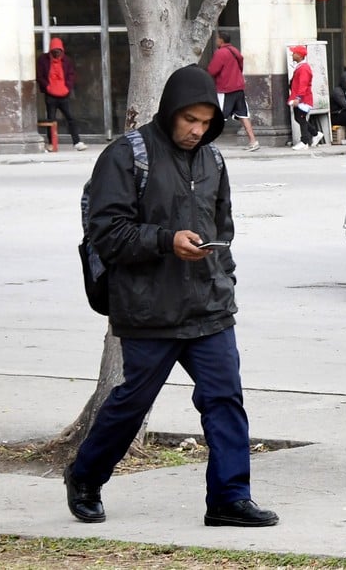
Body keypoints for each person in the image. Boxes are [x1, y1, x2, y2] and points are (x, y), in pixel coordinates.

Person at [64, 64, 278, 528]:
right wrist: (166, 241)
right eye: (189, 120)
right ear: (169, 111)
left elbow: (223, 228)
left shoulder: (213, 159)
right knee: (132, 403)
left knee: (225, 399)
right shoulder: (126, 156)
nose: (197, 131)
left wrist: (224, 278)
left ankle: (229, 498)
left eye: (206, 122)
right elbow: (107, 233)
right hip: (149, 308)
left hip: (209, 306)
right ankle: (84, 477)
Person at [207, 31, 260, 151]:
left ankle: (208, 142)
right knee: (243, 115)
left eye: (217, 39)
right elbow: (240, 66)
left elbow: (212, 70)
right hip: (238, 87)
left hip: (226, 89)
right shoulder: (235, 51)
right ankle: (253, 141)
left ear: (221, 40)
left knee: (218, 116)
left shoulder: (220, 53)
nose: (216, 41)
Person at [36, 37, 88, 151]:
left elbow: (71, 75)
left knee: (70, 118)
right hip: (50, 95)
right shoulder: (43, 60)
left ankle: (77, 142)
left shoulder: (67, 60)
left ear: (62, 50)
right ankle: (52, 143)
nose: (56, 53)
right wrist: (47, 87)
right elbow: (40, 76)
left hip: (64, 95)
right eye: (54, 51)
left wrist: (67, 88)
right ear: (51, 50)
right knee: (51, 120)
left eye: (58, 51)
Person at [287, 45, 323, 150]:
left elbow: (303, 84)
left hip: (303, 99)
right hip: (301, 98)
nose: (292, 54)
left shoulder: (304, 68)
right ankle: (315, 134)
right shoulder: (301, 67)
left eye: (294, 53)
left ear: (299, 55)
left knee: (301, 118)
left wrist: (298, 98)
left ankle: (304, 141)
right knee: (299, 118)